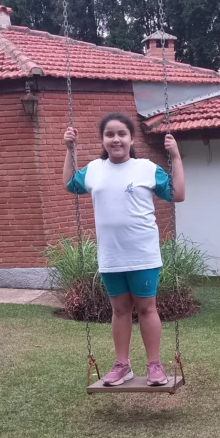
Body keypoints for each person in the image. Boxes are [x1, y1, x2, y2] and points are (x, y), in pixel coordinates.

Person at [63, 112, 185, 386]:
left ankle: (154, 365)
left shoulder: (146, 168)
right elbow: (70, 184)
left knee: (147, 309)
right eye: (110, 134)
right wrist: (70, 150)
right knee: (119, 311)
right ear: (103, 140)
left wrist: (176, 157)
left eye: (121, 134)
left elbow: (177, 194)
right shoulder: (94, 169)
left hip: (143, 254)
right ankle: (122, 365)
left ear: (131, 139)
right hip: (111, 255)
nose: (116, 139)